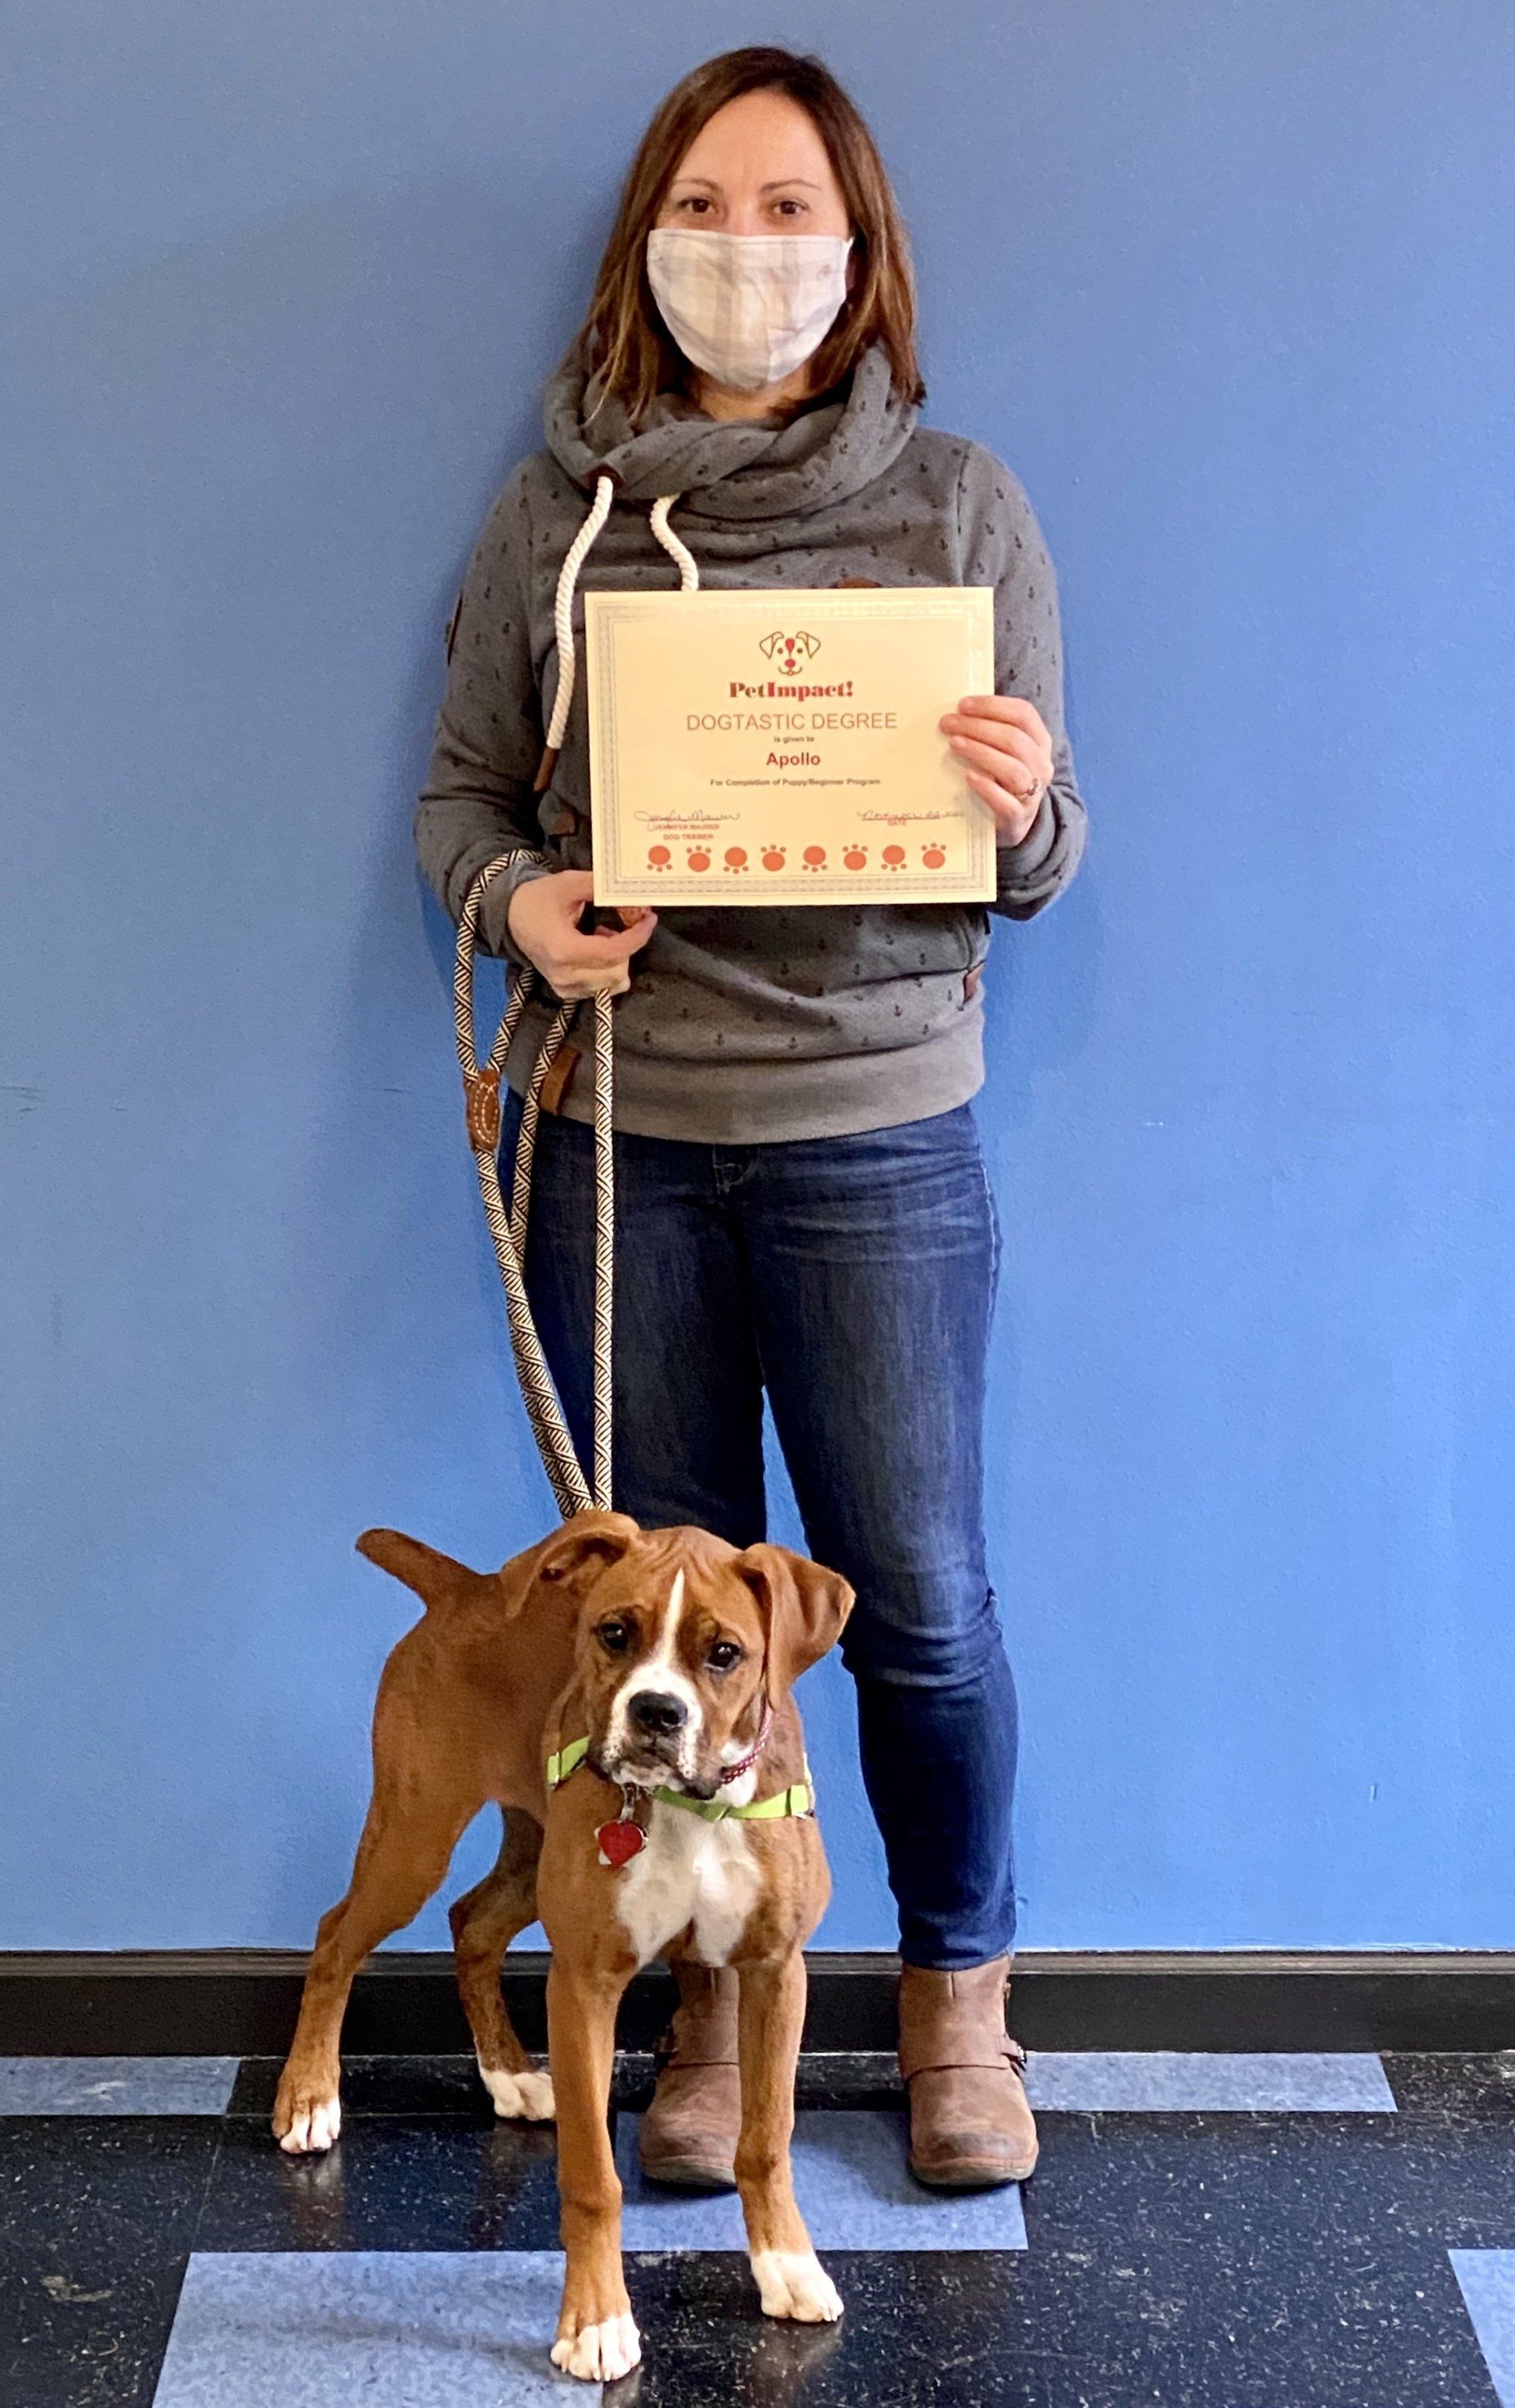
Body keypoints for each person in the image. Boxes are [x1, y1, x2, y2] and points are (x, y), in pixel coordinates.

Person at [415, 44, 1087, 2193]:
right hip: (615, 1130)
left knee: (917, 1588)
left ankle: (957, 1996)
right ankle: (705, 1998)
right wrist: (521, 898)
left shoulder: (960, 502)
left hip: (882, 1124)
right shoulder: (553, 517)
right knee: (652, 1634)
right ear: (647, 238)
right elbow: (458, 805)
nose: (754, 245)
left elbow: (1048, 850)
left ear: (863, 248)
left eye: (798, 207)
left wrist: (1020, 805)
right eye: (714, 201)